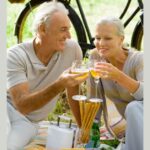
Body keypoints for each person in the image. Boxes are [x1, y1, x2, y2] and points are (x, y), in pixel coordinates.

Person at [7, 1, 86, 149]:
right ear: (42, 29)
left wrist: (83, 128)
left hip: (27, 122)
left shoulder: (72, 50)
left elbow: (74, 92)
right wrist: (59, 84)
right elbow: (22, 105)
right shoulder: (14, 55)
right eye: (63, 30)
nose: (68, 35)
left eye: (68, 29)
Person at [88, 17, 143, 150]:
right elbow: (95, 99)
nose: (101, 43)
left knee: (134, 107)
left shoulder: (139, 59)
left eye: (107, 38)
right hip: (131, 131)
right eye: (97, 37)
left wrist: (119, 76)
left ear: (121, 39)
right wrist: (91, 131)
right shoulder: (96, 57)